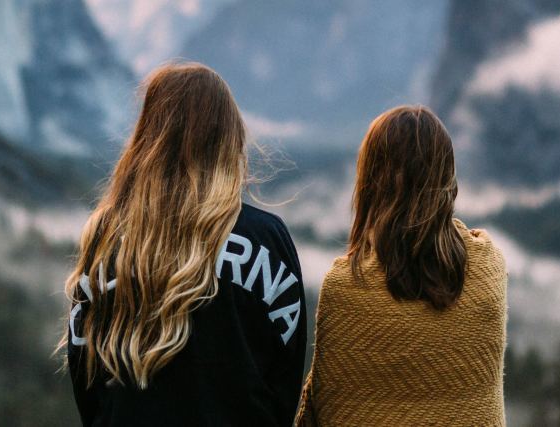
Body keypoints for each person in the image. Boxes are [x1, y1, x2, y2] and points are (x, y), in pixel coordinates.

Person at [63, 62, 306, 426]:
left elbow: (84, 372)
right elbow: (286, 374)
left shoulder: (107, 236)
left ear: (148, 139)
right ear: (230, 140)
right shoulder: (266, 239)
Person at [295, 105, 508, 426]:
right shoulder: (487, 266)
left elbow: (325, 408)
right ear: (449, 181)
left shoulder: (345, 287)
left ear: (370, 183)